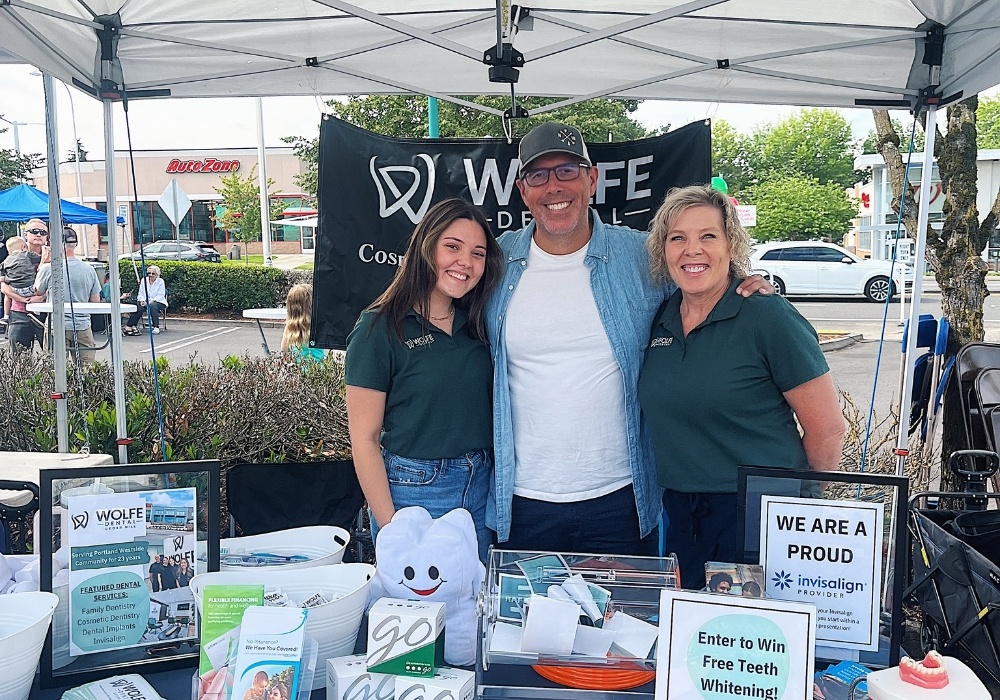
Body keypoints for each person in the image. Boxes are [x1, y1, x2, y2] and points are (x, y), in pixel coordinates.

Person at [486, 123, 771, 555]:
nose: (553, 187)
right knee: (526, 624)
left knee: (625, 621)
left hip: (621, 498)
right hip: (522, 501)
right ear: (523, 190)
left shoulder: (642, 256)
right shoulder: (494, 262)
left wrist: (743, 281)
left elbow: (702, 280)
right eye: (538, 176)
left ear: (592, 179)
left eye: (566, 171)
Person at [638, 185, 846, 589]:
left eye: (708, 236)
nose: (691, 249)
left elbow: (827, 429)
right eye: (677, 238)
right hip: (682, 513)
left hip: (761, 515)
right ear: (663, 250)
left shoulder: (766, 316)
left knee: (757, 642)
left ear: (731, 244)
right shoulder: (661, 316)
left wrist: (802, 510)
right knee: (698, 640)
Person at [345, 198, 503, 563]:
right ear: (426, 247)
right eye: (452, 246)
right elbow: (364, 440)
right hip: (414, 490)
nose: (466, 261)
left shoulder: (478, 324)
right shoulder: (378, 328)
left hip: (481, 487)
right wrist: (392, 530)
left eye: (478, 253)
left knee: (471, 609)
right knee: (420, 612)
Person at [34, 227, 102, 365]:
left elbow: (38, 291)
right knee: (87, 368)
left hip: (57, 325)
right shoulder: (89, 269)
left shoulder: (49, 268)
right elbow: (95, 300)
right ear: (75, 244)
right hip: (82, 324)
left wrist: (43, 263)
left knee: (55, 368)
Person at [1, 219, 49, 352]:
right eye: (34, 231)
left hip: (47, 312)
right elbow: (3, 285)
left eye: (43, 232)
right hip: (19, 313)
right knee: (19, 359)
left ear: (47, 236)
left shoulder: (53, 254)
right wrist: (22, 299)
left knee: (52, 356)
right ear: (25, 234)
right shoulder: (12, 251)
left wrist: (43, 297)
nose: (39, 235)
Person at [280, 283, 325, 362]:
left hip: (298, 369)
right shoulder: (318, 323)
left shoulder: (290, 326)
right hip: (318, 369)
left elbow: (283, 350)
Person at [1, 237, 41, 324]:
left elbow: (2, 277)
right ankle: (35, 310)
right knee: (39, 283)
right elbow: (41, 259)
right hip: (31, 288)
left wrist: (7, 278)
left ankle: (6, 315)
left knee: (7, 295)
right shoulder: (27, 254)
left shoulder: (6, 261)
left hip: (16, 290)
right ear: (23, 247)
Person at [124, 265, 168, 335]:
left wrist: (149, 302)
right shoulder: (143, 280)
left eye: (153, 273)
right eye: (149, 273)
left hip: (158, 301)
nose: (151, 275)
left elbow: (160, 295)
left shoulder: (161, 281)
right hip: (144, 301)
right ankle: (130, 325)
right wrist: (142, 301)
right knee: (139, 307)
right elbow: (140, 293)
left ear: (157, 274)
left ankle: (156, 326)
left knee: (153, 306)